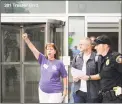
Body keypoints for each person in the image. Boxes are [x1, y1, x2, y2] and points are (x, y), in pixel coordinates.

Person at [22, 33, 68, 103]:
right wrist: (27, 40)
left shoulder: (59, 63)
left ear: (55, 51)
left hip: (55, 92)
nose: (49, 50)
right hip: (42, 91)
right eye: (47, 49)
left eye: (51, 49)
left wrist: (65, 89)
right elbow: (33, 49)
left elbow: (64, 76)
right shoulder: (42, 59)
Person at [81, 35, 122, 103]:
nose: (95, 47)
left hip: (116, 99)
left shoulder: (115, 57)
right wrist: (87, 77)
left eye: (97, 45)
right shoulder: (103, 60)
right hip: (105, 98)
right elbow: (102, 75)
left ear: (105, 45)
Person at [71, 37, 100, 103]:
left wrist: (89, 78)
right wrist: (74, 77)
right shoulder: (77, 57)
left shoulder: (97, 58)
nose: (79, 46)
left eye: (81, 44)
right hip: (78, 92)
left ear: (88, 45)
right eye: (79, 44)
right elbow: (73, 70)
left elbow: (102, 75)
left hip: (93, 94)